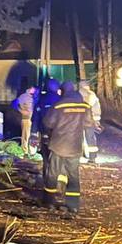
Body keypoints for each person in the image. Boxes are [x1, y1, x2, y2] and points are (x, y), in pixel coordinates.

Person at [41, 85, 93, 214]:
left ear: (62, 91)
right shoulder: (85, 106)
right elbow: (88, 123)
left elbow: (48, 123)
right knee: (73, 175)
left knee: (52, 174)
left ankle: (49, 202)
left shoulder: (58, 106)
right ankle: (73, 205)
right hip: (75, 146)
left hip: (58, 145)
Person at [33, 78, 62, 153]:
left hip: (44, 132)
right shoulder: (62, 101)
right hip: (60, 133)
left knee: (46, 152)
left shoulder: (41, 100)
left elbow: (36, 118)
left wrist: (33, 132)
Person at [79, 81, 102, 163]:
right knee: (90, 138)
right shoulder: (92, 95)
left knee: (78, 138)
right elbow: (96, 109)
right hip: (89, 120)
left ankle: (79, 155)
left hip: (78, 120)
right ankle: (92, 157)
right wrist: (96, 120)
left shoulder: (77, 94)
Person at [11, 85, 37, 155]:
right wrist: (21, 110)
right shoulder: (24, 96)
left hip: (34, 120)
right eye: (33, 89)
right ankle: (25, 152)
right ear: (30, 88)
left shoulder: (35, 96)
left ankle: (32, 152)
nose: (35, 90)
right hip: (26, 119)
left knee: (33, 137)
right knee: (26, 136)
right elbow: (14, 103)